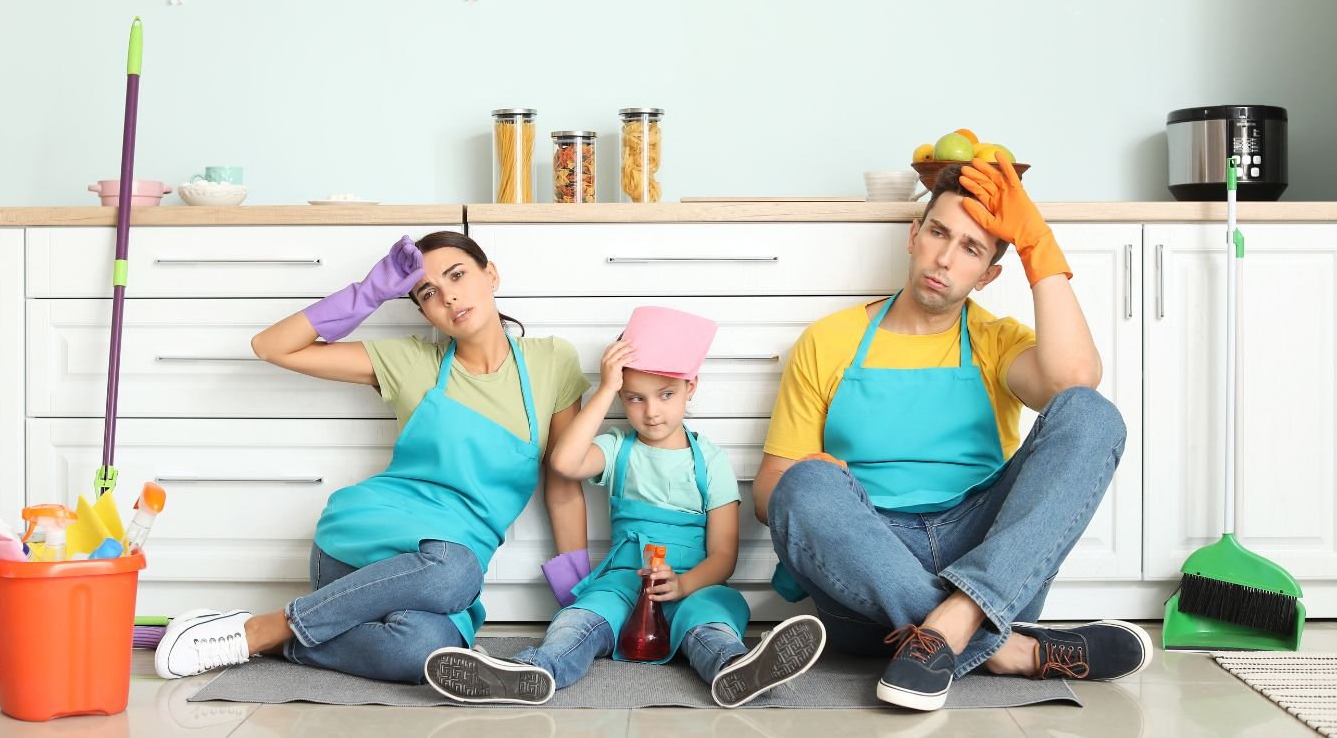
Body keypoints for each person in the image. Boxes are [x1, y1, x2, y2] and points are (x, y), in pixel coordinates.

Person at [753, 155, 1151, 712]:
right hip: (868, 572)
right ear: (913, 236)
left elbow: (1075, 381)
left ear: (989, 274)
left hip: (984, 551)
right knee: (804, 484)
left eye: (971, 248)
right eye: (938, 232)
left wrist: (1036, 243)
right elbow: (769, 495)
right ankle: (1007, 649)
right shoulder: (829, 340)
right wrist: (815, 475)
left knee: (1091, 414)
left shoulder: (995, 340)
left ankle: (956, 620)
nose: (944, 257)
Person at [154, 231, 592, 683]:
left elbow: (562, 486)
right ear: (422, 310)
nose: (449, 296)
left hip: (439, 566)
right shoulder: (410, 362)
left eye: (457, 275)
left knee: (425, 650)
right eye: (428, 292)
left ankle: (281, 639)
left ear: (491, 274)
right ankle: (257, 629)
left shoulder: (552, 361)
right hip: (362, 546)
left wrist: (578, 593)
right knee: (455, 572)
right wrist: (371, 292)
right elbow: (272, 347)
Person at [425, 316, 826, 709]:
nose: (651, 412)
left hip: (691, 584)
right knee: (577, 621)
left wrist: (684, 586)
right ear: (621, 397)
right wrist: (604, 388)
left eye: (666, 394)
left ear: (692, 387)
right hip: (622, 581)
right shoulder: (617, 447)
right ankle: (530, 671)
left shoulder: (711, 460)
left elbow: (723, 556)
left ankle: (736, 668)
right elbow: (564, 462)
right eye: (635, 397)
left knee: (710, 624)